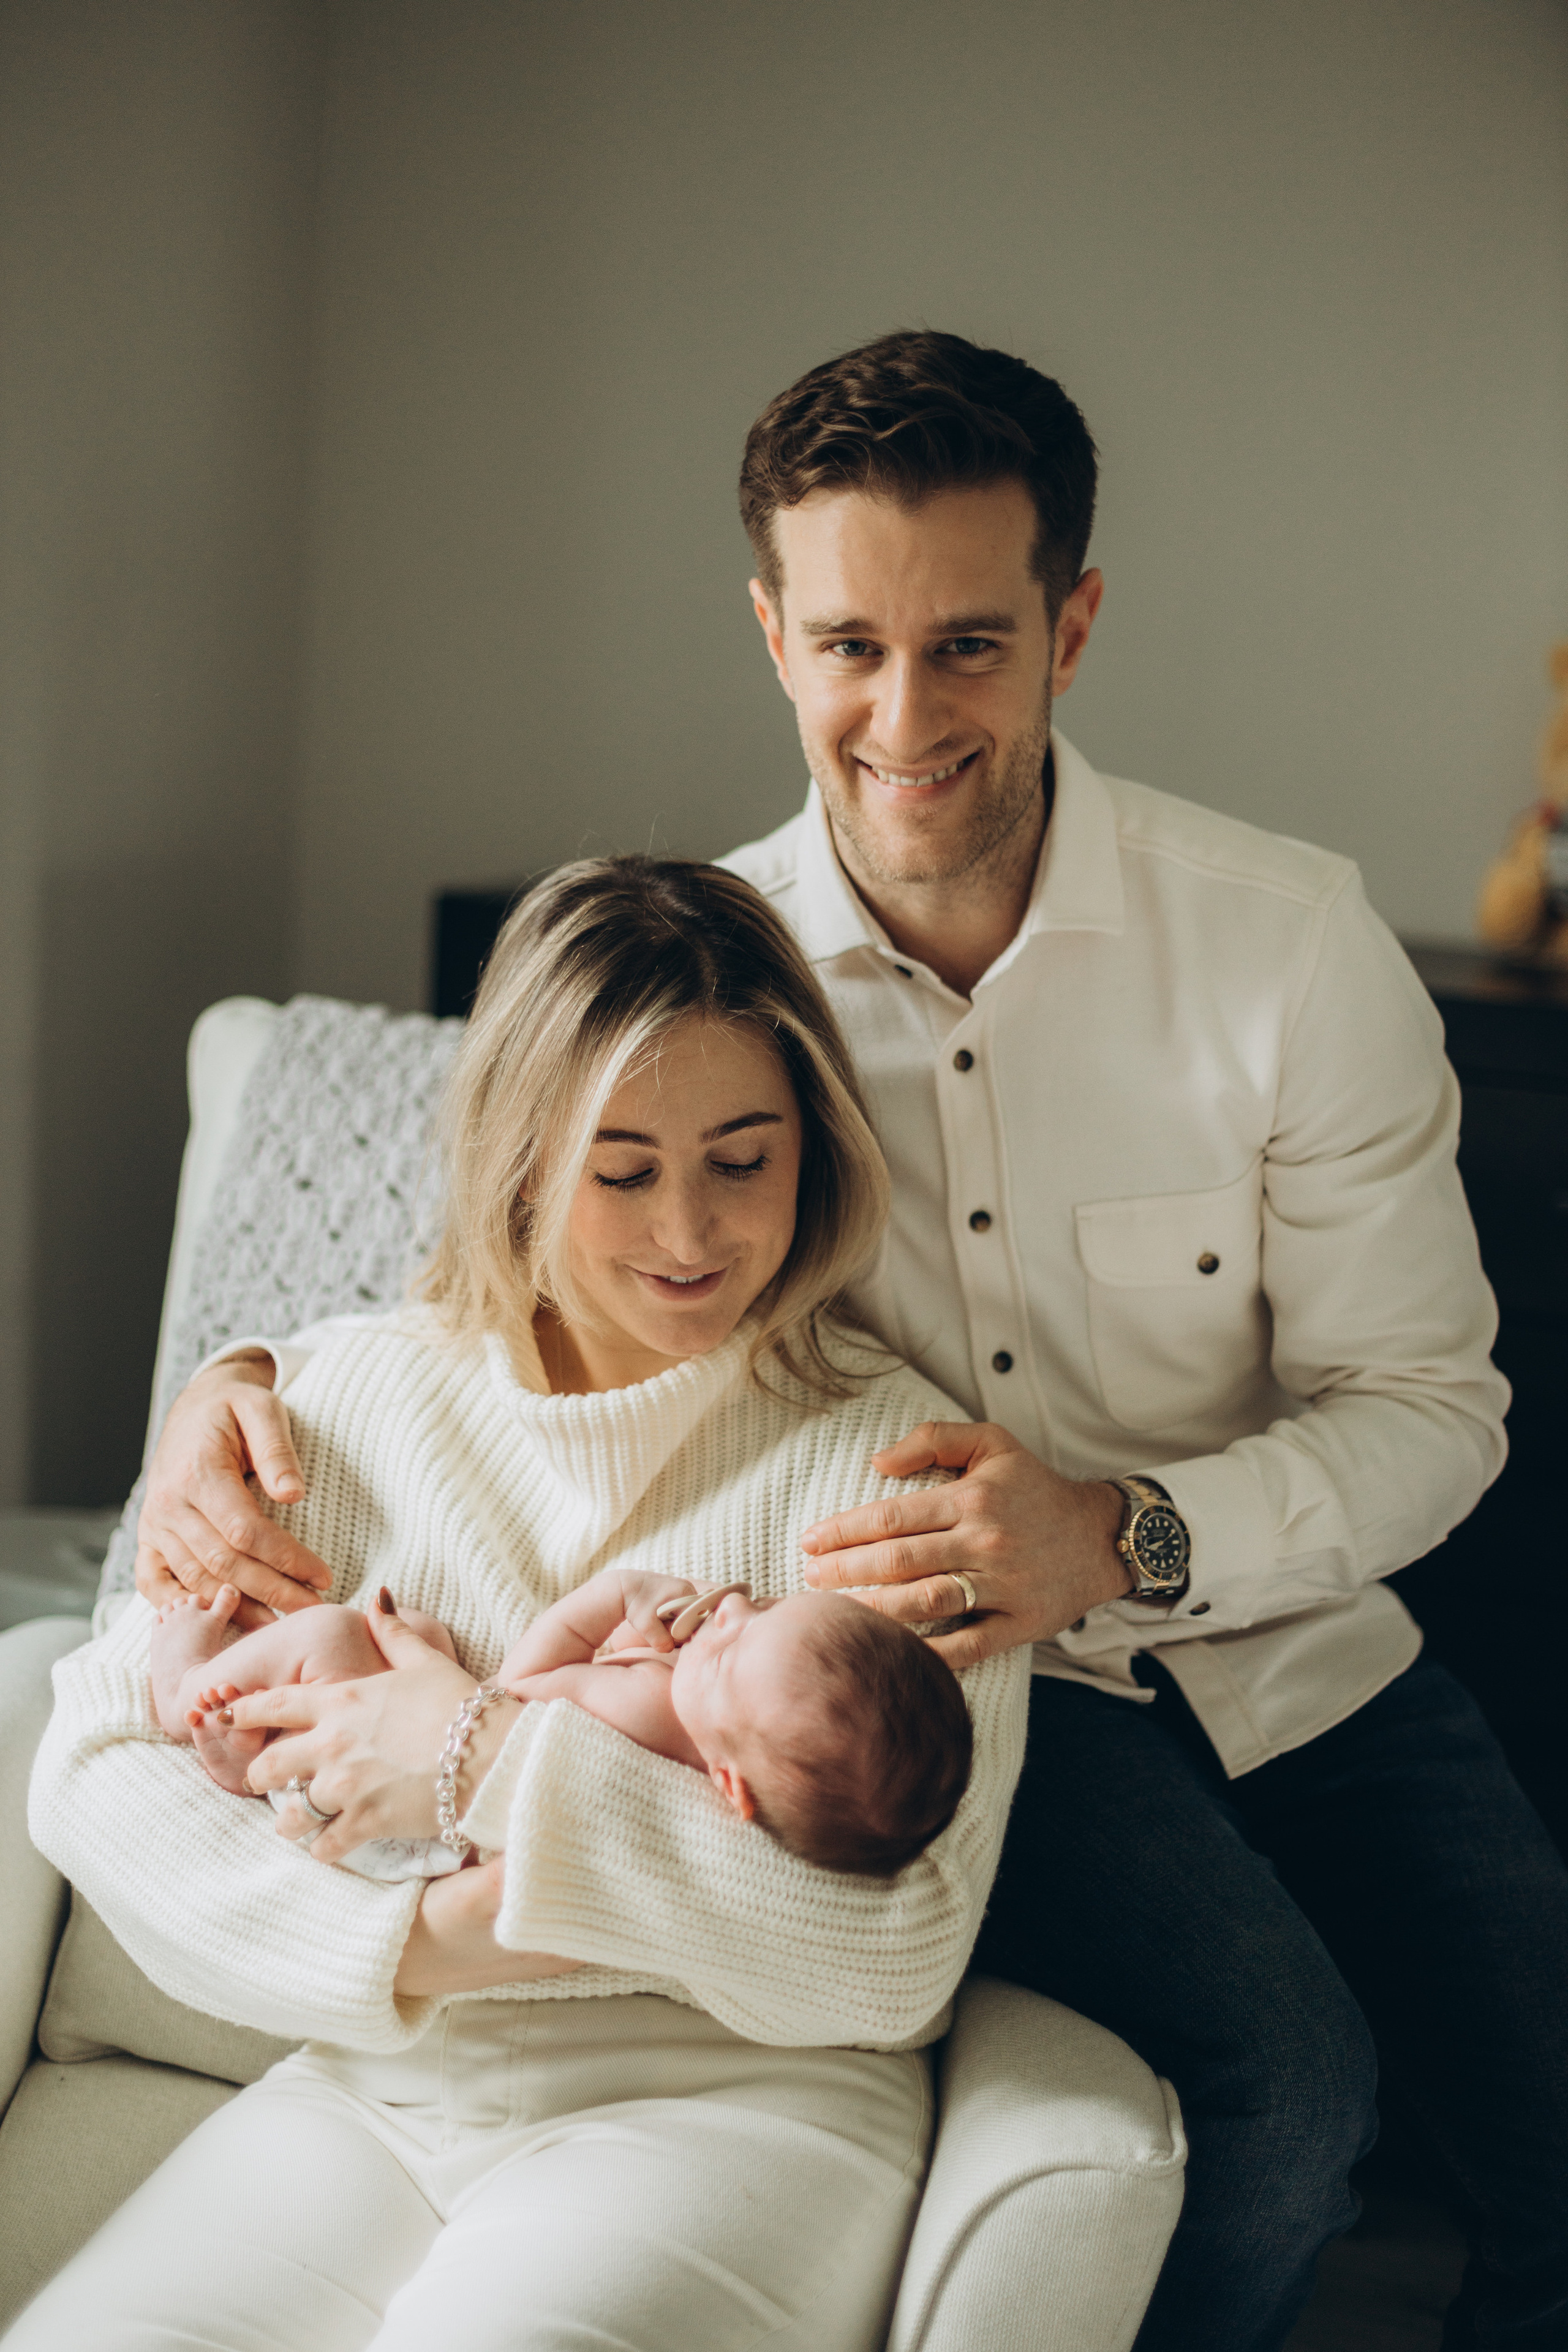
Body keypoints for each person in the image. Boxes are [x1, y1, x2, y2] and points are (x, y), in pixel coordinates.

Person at [135, 330, 1568, 2351]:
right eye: (848, 646)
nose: (905, 717)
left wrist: (1125, 1535)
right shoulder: (711, 959)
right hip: (953, 1698)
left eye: (970, 644)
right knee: (1290, 2106)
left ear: (1072, 626)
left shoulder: (1286, 946)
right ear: (773, 633)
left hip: (1299, 1629)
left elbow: (1435, 1415)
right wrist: (231, 1389)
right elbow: (484, 1262)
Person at [14, 856, 1032, 2352]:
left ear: (812, 1146)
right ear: (517, 1160)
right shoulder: (337, 1402)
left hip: (736, 2105)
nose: (689, 1233)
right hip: (379, 2076)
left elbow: (890, 1950)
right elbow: (96, 1772)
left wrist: (475, 1750)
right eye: (620, 1171)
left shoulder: (891, 1475)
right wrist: (432, 1941)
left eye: (741, 1160)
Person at [150, 1564, 973, 1879]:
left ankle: (187, 1689)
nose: (723, 1616)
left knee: (338, 1637)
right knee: (422, 1640)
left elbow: (515, 1689)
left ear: (731, 1784)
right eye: (758, 1612)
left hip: (405, 1828)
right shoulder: (705, 1749)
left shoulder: (647, 1709)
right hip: (424, 1822)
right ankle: (252, 1741)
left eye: (726, 1654)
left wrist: (613, 1601)